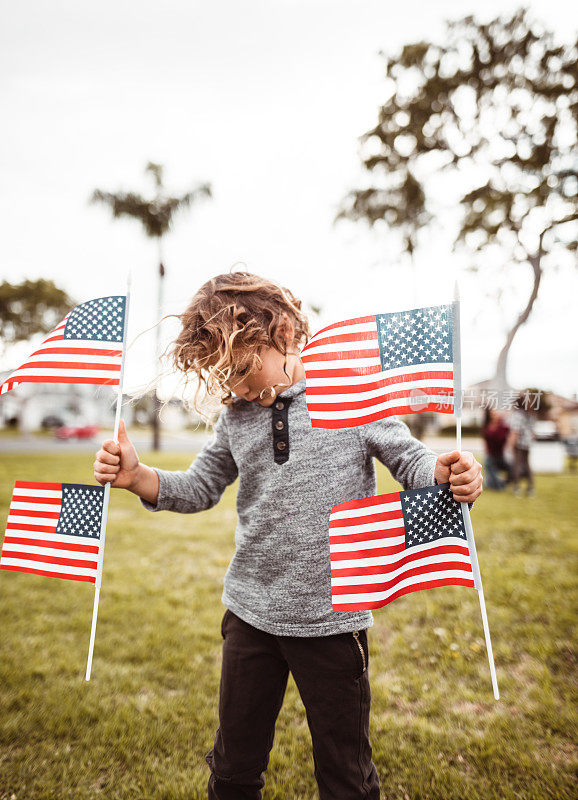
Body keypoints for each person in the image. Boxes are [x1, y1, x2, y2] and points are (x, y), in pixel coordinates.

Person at [93, 271, 483, 800]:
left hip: (332, 619)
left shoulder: (350, 392)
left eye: (244, 367)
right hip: (251, 614)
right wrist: (138, 477)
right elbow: (202, 485)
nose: (236, 386)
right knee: (233, 765)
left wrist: (444, 472)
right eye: (224, 374)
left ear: (285, 335)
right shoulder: (235, 418)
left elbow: (410, 460)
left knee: (345, 771)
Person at [507, 392, 536, 497]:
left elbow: (515, 431)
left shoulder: (517, 415)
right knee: (527, 465)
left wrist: (510, 445)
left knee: (517, 465)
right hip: (527, 444)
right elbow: (533, 432)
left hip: (519, 444)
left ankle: (517, 487)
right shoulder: (530, 414)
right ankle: (530, 488)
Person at [481, 408, 512, 490]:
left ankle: (500, 484)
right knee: (492, 474)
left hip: (500, 455)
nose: (496, 414)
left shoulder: (503, 425)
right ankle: (496, 486)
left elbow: (509, 435)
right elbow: (486, 441)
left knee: (513, 469)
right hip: (491, 455)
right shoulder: (487, 426)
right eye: (493, 413)